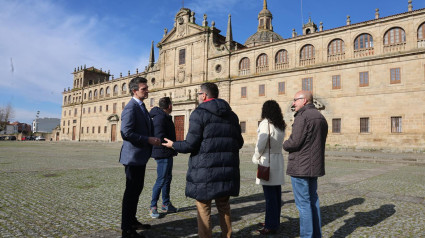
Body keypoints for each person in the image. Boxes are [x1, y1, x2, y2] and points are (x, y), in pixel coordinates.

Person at [162, 82, 244, 238]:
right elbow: (239, 143)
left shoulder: (199, 113)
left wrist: (174, 145)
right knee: (224, 207)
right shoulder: (232, 115)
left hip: (205, 170)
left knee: (203, 208)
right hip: (226, 170)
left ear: (204, 95)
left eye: (199, 93)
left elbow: (190, 144)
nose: (198, 96)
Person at [119, 76, 161, 238]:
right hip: (132, 157)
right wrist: (148, 139)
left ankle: (132, 221)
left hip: (139, 156)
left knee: (136, 190)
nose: (147, 90)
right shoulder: (131, 108)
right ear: (134, 91)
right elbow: (126, 133)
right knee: (131, 192)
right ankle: (126, 229)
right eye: (144, 89)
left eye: (146, 88)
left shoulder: (141, 106)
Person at [283, 90, 328, 238]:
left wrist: (285, 144)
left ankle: (307, 236)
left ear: (304, 101)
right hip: (314, 166)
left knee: (303, 205)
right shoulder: (321, 117)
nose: (293, 103)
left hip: (300, 167)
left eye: (295, 100)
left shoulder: (302, 117)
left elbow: (295, 142)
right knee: (313, 201)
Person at [252, 100, 286, 235]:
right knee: (276, 194)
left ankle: (271, 225)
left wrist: (256, 157)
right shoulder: (280, 124)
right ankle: (273, 221)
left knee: (270, 196)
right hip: (277, 159)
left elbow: (261, 143)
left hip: (268, 161)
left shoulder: (266, 123)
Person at [149, 97, 178, 218]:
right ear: (169, 106)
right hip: (162, 152)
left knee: (167, 179)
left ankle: (166, 204)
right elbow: (159, 136)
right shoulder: (160, 118)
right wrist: (170, 144)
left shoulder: (163, 116)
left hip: (167, 152)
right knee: (161, 179)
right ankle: (153, 206)